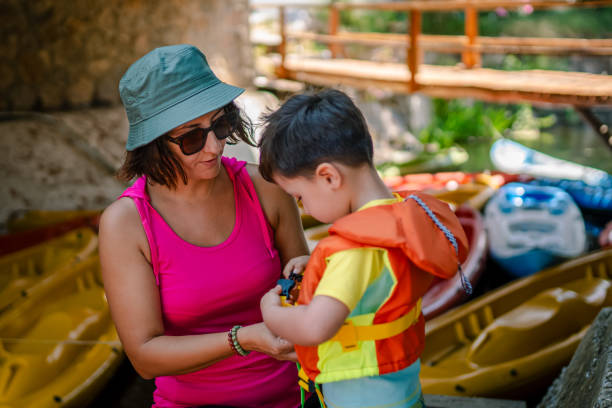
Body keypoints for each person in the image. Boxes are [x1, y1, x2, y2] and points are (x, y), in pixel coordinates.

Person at [99, 44, 312, 408]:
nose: (214, 147)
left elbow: (306, 295)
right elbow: (145, 357)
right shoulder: (127, 224)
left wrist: (312, 278)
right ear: (153, 145)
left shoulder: (265, 189)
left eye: (220, 124)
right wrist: (244, 339)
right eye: (192, 137)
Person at [258, 89, 470, 408]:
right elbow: (373, 283)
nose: (304, 207)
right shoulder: (401, 216)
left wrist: (269, 312)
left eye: (300, 197)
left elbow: (315, 326)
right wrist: (317, 260)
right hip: (402, 392)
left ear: (328, 177)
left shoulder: (353, 249)